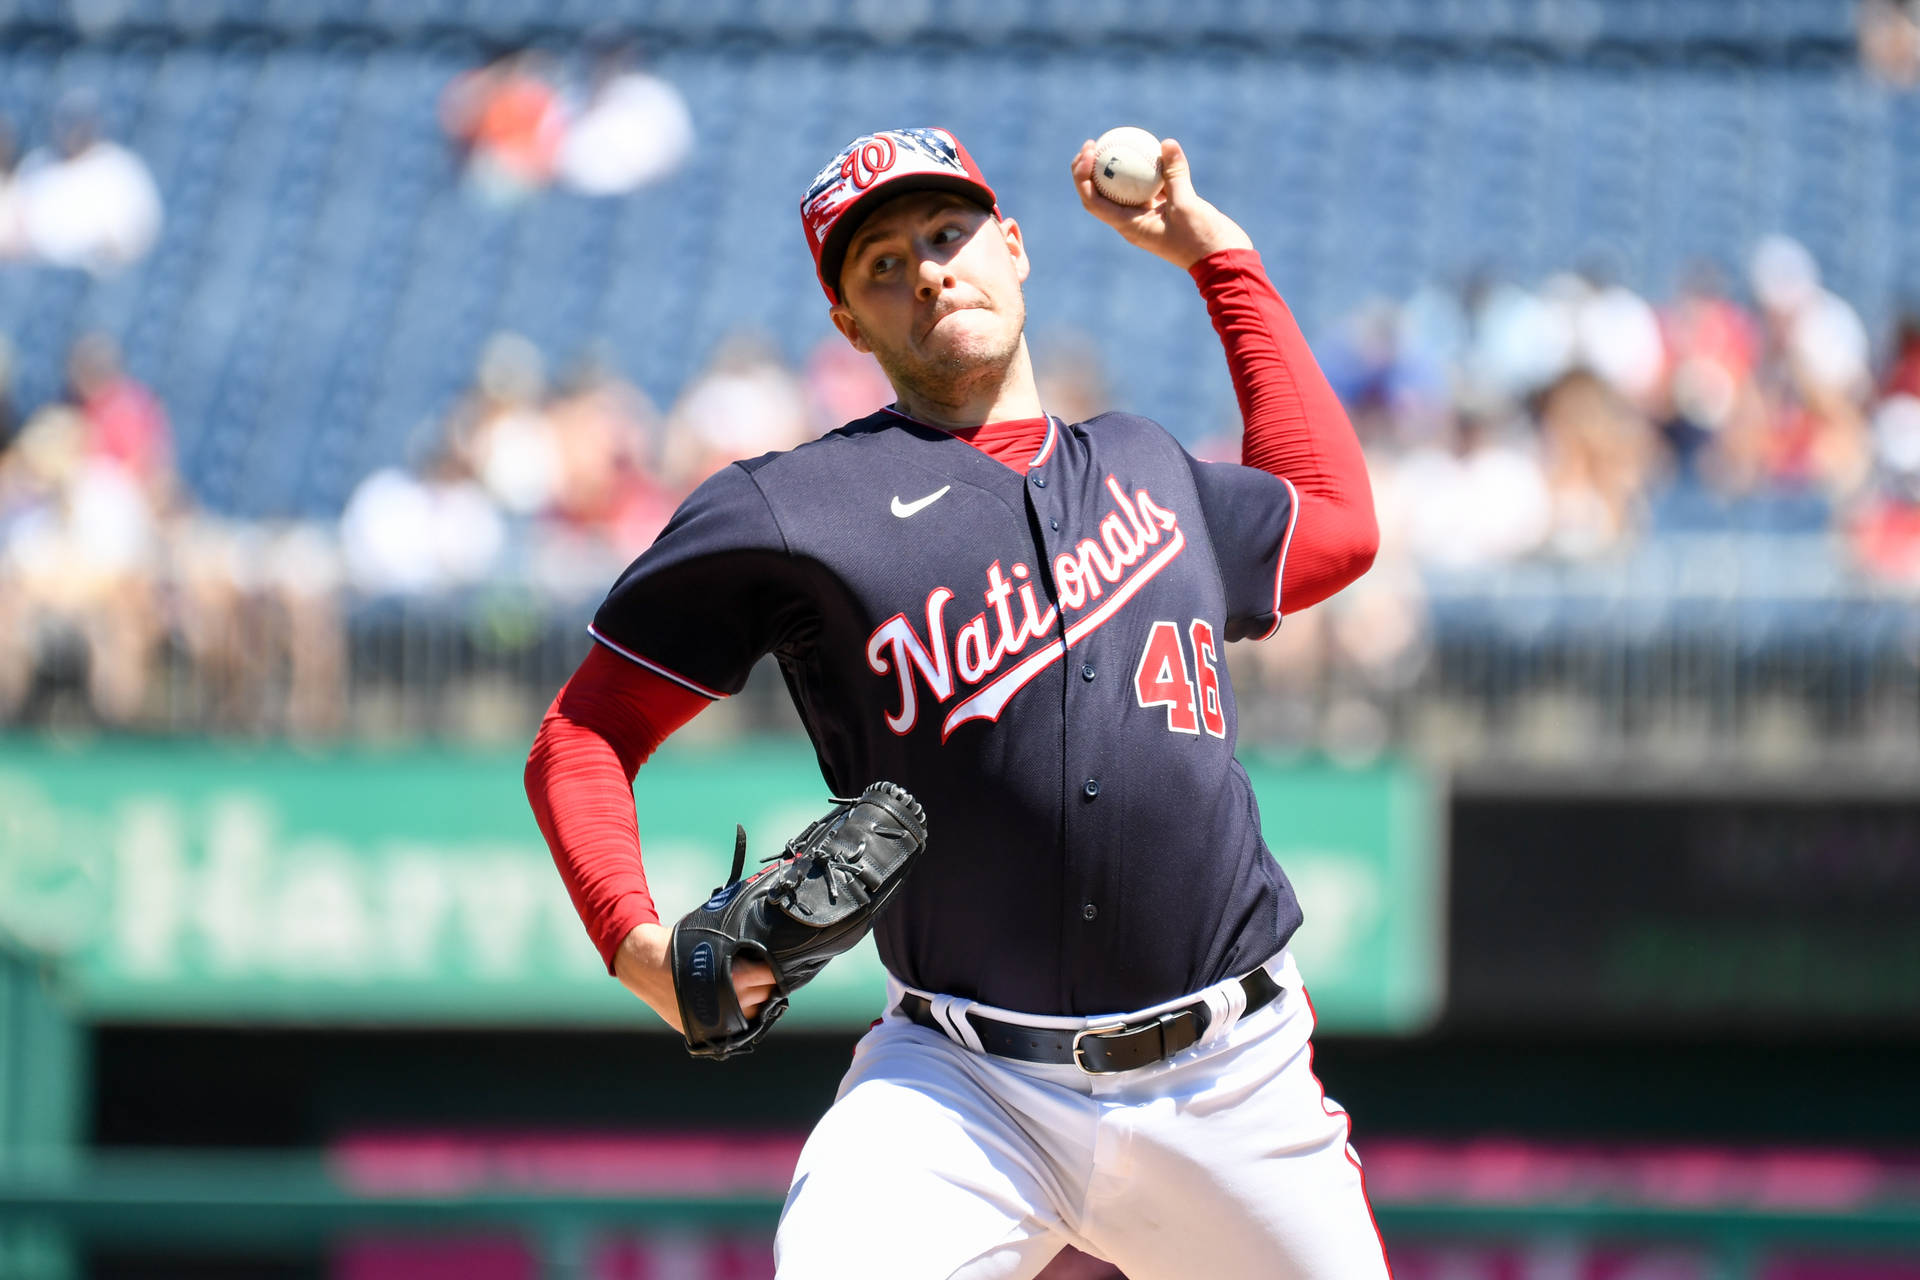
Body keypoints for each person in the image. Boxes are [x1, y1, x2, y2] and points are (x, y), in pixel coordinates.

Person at [525, 126, 1387, 1279]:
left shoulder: (1149, 466)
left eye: (949, 233)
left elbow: (1334, 520)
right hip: (964, 1088)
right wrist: (640, 948)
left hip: (1233, 1081)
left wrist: (1217, 253)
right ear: (849, 322)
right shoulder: (797, 508)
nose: (929, 268)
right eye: (883, 262)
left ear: (1015, 248)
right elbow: (582, 732)